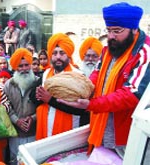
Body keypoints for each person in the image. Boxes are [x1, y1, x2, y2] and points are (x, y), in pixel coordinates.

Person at [57, 2, 150, 158]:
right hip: (102, 131)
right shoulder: (108, 50)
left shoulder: (144, 53)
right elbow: (97, 74)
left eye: (117, 31)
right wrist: (80, 90)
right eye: (108, 30)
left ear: (134, 29)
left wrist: (92, 104)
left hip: (128, 138)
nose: (111, 36)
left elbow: (131, 94)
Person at [30, 33, 90, 141]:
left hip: (68, 133)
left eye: (62, 53)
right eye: (54, 53)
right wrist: (39, 96)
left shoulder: (78, 75)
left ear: (68, 54)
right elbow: (32, 97)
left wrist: (50, 99)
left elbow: (82, 110)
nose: (58, 57)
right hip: (46, 129)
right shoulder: (46, 74)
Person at [3, 48, 38, 165]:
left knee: (33, 160)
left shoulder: (38, 83)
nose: (24, 69)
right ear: (15, 67)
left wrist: (32, 118)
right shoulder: (9, 85)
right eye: (20, 66)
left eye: (26, 65)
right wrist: (16, 121)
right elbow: (5, 106)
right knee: (15, 160)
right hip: (15, 134)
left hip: (34, 132)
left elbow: (45, 107)